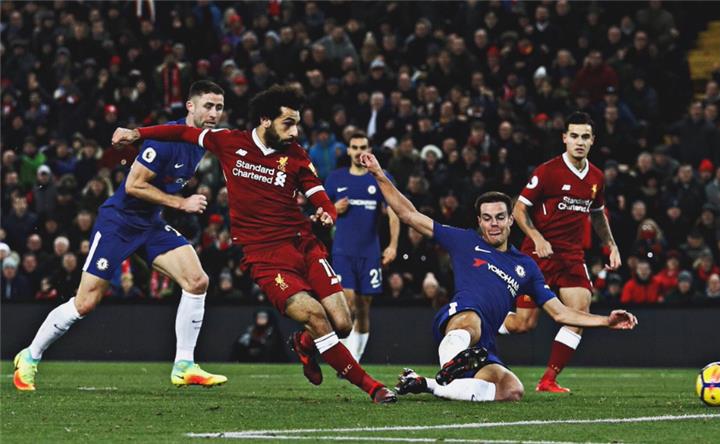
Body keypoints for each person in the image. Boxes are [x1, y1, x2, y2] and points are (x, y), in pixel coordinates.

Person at [111, 85, 396, 404]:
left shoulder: (296, 155)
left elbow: (317, 193)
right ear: (265, 120)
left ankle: (304, 343)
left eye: (297, 123)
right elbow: (180, 133)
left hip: (303, 246)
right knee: (315, 315)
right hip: (265, 257)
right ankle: (373, 387)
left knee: (342, 324)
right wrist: (137, 133)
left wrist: (327, 212)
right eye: (288, 123)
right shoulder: (228, 142)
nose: (295, 131)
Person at [360, 152, 637, 402]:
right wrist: (379, 175)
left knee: (511, 390)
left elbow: (561, 313)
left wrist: (606, 320)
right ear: (479, 222)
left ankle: (428, 384)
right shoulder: (464, 240)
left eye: (500, 217)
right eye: (487, 218)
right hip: (461, 319)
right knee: (471, 321)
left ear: (511, 220)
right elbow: (409, 214)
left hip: (483, 345)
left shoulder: (526, 266)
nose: (494, 224)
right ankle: (451, 365)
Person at [13, 81, 228, 391]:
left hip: (150, 223)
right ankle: (30, 356)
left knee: (197, 281)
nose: (214, 113)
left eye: (219, 107)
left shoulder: (202, 141)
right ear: (190, 106)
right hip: (119, 223)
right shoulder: (165, 142)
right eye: (208, 106)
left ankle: (184, 365)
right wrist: (181, 203)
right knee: (85, 303)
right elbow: (133, 185)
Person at [509, 111, 622, 393]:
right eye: (574, 136)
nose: (579, 142)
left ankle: (548, 379)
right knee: (524, 324)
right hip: (538, 255)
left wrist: (611, 245)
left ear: (592, 140)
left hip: (571, 256)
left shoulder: (596, 177)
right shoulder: (547, 171)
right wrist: (537, 238)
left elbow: (597, 214)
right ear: (564, 139)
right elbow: (519, 209)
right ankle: (479, 322)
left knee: (579, 313)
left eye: (585, 137)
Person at [324, 132, 400, 362]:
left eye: (363, 147)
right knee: (347, 303)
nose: (358, 152)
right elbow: (320, 213)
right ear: (348, 150)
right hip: (343, 252)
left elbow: (394, 212)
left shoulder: (380, 177)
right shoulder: (335, 178)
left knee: (363, 306)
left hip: (370, 252)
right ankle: (348, 361)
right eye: (354, 147)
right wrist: (333, 209)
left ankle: (356, 356)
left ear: (369, 150)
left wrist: (393, 245)